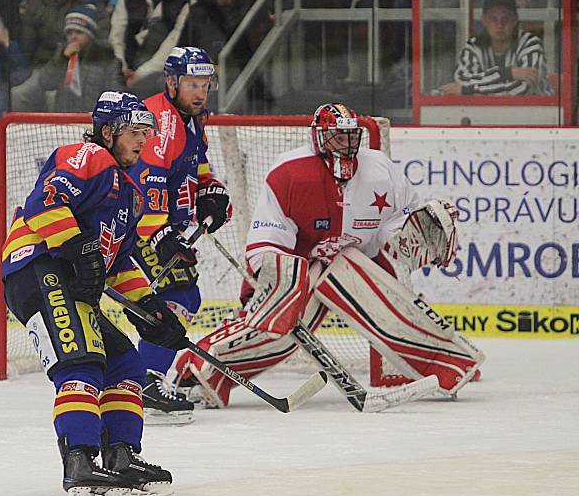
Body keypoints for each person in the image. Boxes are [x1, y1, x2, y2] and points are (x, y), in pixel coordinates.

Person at [175, 102, 469, 407]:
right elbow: (267, 242)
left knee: (390, 306)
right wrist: (281, 288)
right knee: (277, 337)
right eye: (337, 137)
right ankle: (198, 370)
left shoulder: (380, 169)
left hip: (354, 262)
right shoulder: (290, 173)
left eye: (351, 137)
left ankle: (446, 362)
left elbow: (403, 213)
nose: (346, 144)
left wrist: (416, 222)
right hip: (302, 270)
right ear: (318, 138)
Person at [1, 91, 189, 496]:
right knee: (81, 360)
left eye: (147, 133)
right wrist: (77, 246)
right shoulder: (89, 156)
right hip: (38, 267)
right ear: (108, 132)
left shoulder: (130, 194)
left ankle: (121, 457)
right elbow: (44, 203)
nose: (143, 141)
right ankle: (79, 463)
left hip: (70, 283)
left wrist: (152, 309)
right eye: (134, 132)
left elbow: (117, 263)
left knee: (126, 362)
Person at [127, 46, 231, 424]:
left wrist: (210, 189)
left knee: (177, 295)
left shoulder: (192, 117)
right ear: (171, 82)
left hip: (154, 223)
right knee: (178, 294)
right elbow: (147, 179)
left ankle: (139, 380)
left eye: (205, 84)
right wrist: (160, 234)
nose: (200, 92)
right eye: (191, 84)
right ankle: (144, 383)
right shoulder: (162, 123)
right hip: (136, 223)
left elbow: (196, 163)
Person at [12, 3, 122, 113]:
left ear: (90, 34)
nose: (73, 37)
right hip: (64, 120)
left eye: (79, 32)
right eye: (69, 33)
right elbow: (45, 83)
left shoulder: (107, 59)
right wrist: (61, 59)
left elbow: (113, 94)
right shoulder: (62, 56)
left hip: (92, 120)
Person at [439, 0, 552, 96]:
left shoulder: (531, 43)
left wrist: (468, 91)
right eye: (494, 19)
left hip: (535, 113)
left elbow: (523, 90)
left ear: (515, 20)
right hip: (485, 113)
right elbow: (462, 79)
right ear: (484, 20)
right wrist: (506, 74)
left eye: (506, 18)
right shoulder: (473, 46)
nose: (500, 25)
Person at [109, 0, 192, 97]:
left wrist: (142, 74)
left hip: (161, 71)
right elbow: (117, 35)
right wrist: (123, 67)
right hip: (128, 68)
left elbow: (173, 42)